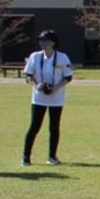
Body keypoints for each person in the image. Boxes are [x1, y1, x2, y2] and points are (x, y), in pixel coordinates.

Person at [23, 29, 73, 166]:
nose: (42, 43)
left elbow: (68, 77)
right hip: (38, 98)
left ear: (53, 43)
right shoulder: (35, 56)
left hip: (56, 98)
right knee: (34, 126)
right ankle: (26, 157)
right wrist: (37, 85)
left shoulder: (62, 57)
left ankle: (52, 156)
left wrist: (55, 88)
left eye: (45, 41)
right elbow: (28, 74)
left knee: (54, 127)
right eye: (41, 41)